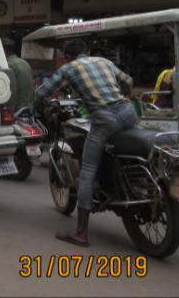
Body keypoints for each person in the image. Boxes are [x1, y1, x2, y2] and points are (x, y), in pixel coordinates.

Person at [35, 38, 138, 248]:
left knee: (88, 170)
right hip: (128, 113)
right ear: (87, 52)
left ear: (68, 57)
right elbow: (128, 80)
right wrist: (123, 94)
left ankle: (81, 234)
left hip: (104, 119)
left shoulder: (68, 68)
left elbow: (42, 92)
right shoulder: (103, 61)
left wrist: (35, 105)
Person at [2, 38, 34, 109]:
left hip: (17, 109)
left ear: (5, 50)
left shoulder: (8, 65)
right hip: (28, 108)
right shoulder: (24, 62)